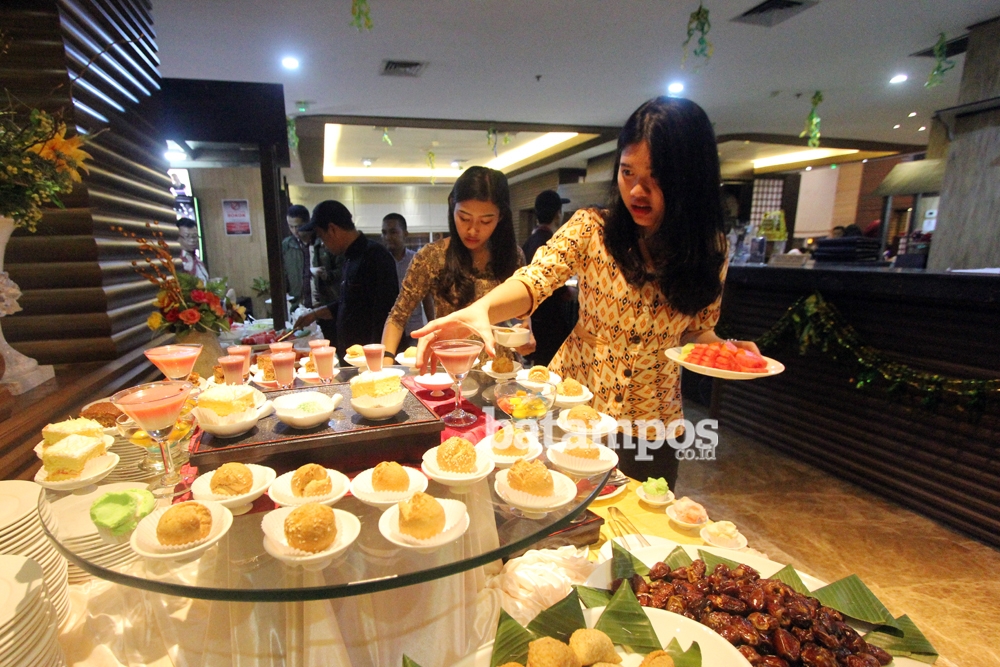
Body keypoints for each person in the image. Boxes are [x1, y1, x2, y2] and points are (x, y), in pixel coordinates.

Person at [414, 97, 760, 489]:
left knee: (639, 522)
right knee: (558, 511)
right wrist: (481, 311)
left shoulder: (711, 248)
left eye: (657, 177)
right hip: (574, 403)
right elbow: (535, 279)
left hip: (652, 419)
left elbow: (696, 331)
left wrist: (725, 352)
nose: (637, 191)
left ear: (691, 179)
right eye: (627, 172)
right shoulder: (592, 228)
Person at [381, 166, 533, 365]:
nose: (472, 230)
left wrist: (525, 332)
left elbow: (522, 313)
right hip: (450, 367)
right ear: (452, 205)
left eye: (486, 221)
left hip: (501, 369)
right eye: (464, 218)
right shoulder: (432, 256)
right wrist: (385, 364)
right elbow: (398, 316)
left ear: (501, 217)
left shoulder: (513, 256)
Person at [292, 201, 399, 361]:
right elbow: (350, 303)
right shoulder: (349, 258)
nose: (322, 244)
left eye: (321, 236)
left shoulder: (376, 256)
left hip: (369, 360)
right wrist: (315, 314)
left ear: (333, 229)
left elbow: (386, 314)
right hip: (352, 357)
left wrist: (378, 361)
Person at [523, 190, 575, 366]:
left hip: (533, 319)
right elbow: (552, 285)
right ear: (558, 214)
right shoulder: (552, 243)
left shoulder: (528, 242)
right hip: (549, 324)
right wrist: (568, 291)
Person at [381, 213, 435, 350]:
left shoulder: (416, 261)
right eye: (384, 232)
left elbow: (426, 297)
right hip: (387, 330)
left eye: (393, 232)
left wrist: (432, 327)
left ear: (405, 234)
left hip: (413, 330)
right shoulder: (378, 262)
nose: (387, 237)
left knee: (415, 367)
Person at [176, 217, 209, 284]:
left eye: (194, 236)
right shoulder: (177, 260)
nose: (192, 240)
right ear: (178, 238)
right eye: (187, 236)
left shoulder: (197, 259)